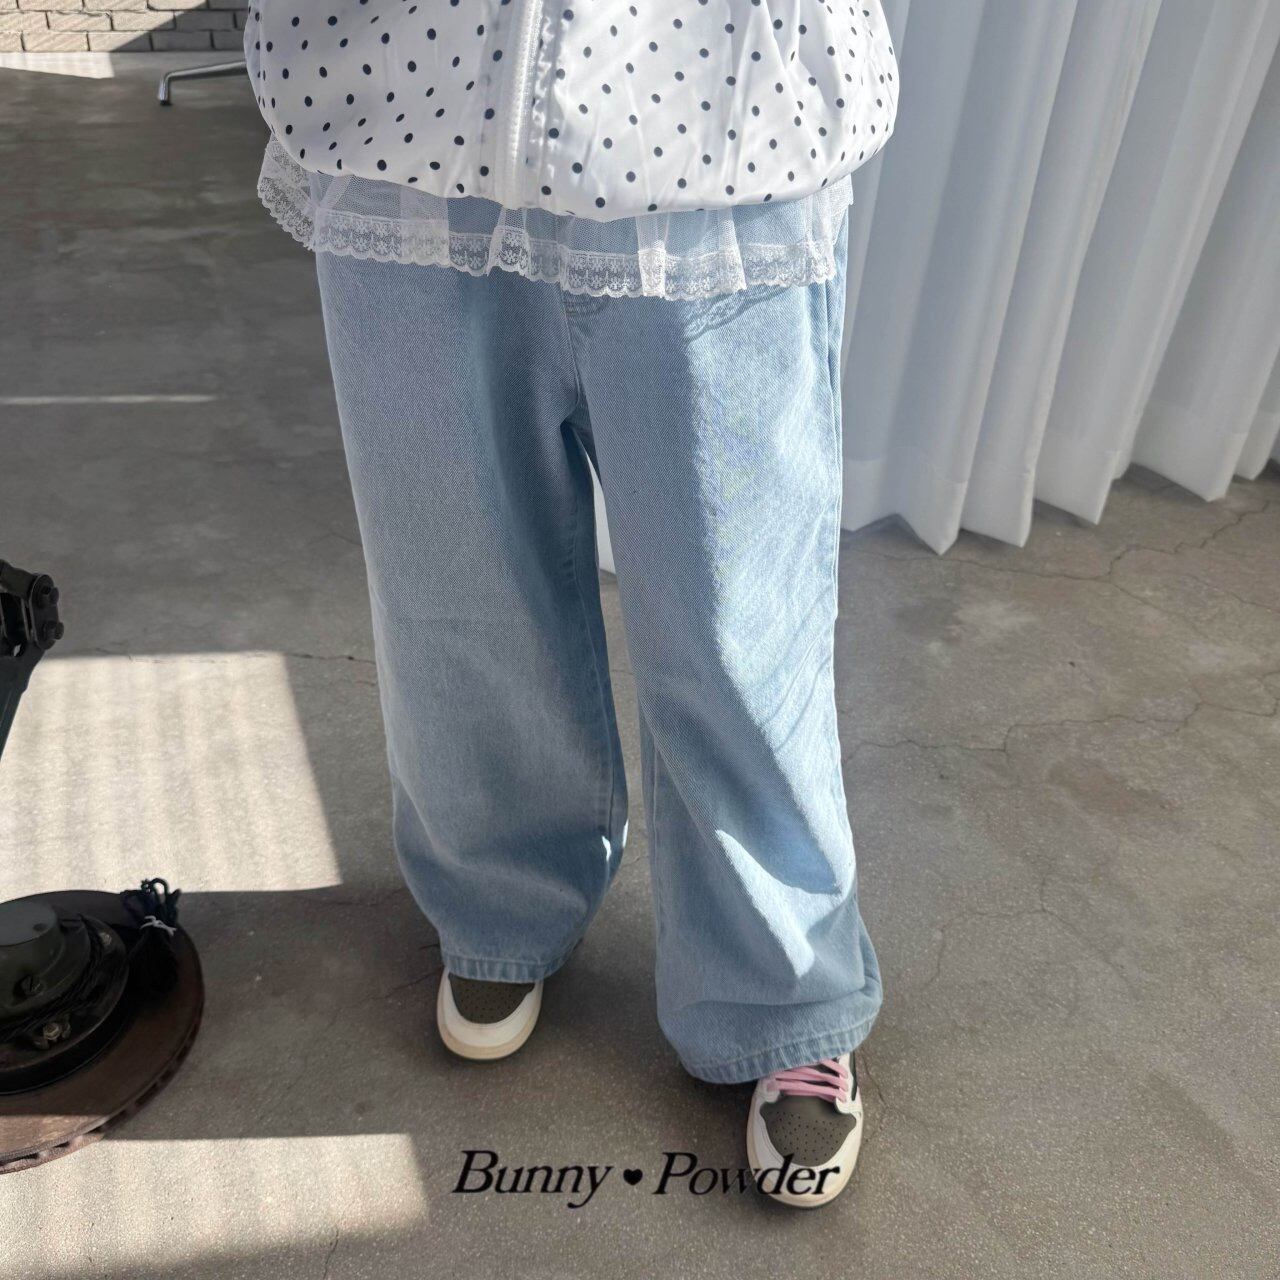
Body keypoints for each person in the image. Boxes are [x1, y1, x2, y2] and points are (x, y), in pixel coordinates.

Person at [244, 0, 899, 1209]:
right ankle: (498, 895)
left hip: (711, 117)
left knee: (734, 625)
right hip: (406, 102)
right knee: (450, 584)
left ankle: (780, 984)